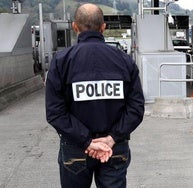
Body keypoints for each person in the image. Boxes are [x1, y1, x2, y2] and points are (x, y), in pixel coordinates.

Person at [45, 3, 145, 188]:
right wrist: (111, 138)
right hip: (113, 148)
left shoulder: (61, 61)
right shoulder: (124, 61)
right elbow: (136, 108)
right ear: (103, 27)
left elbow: (55, 112)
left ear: (75, 27)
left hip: (75, 148)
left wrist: (87, 141)